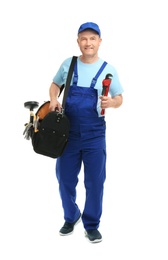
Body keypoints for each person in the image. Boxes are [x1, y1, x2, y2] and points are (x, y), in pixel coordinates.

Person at [49, 22, 124, 243]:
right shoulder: (69, 64)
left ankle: (91, 224)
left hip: (94, 132)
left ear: (99, 41)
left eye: (92, 38)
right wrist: (54, 99)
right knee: (64, 178)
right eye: (84, 38)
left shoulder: (109, 69)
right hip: (67, 131)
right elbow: (55, 84)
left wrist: (111, 102)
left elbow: (120, 98)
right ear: (78, 41)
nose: (88, 43)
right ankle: (71, 216)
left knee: (95, 181)